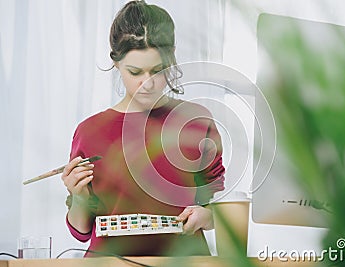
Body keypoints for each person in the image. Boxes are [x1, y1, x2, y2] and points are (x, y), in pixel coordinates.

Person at [61, 0, 225, 257]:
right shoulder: (90, 132)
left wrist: (206, 216)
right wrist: (79, 196)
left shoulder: (196, 122)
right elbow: (81, 231)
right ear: (116, 63)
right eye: (135, 72)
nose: (147, 83)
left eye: (158, 70)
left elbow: (221, 210)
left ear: (171, 59)